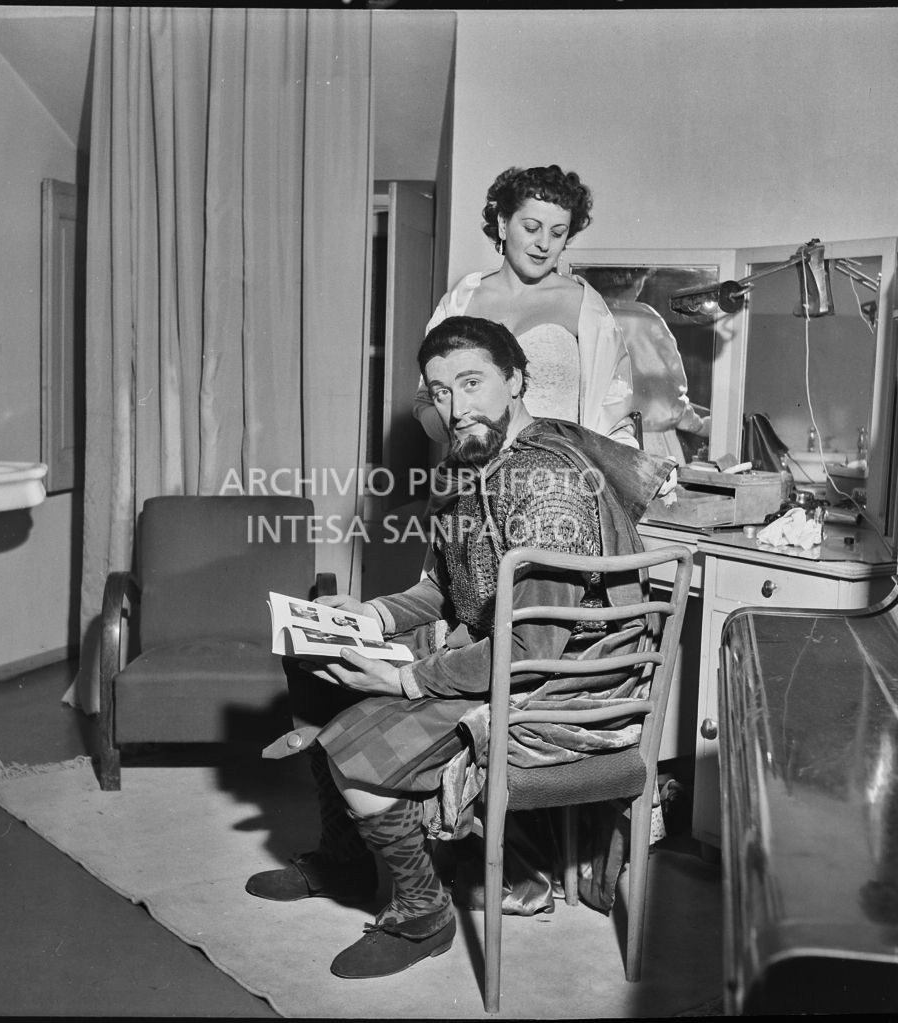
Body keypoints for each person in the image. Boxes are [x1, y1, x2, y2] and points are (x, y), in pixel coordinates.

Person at [245, 316, 673, 980]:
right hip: (497, 649)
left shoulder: (544, 481)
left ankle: (422, 911)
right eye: (441, 391)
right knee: (314, 660)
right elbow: (449, 591)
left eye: (471, 383)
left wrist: (409, 680)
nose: (455, 407)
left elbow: (534, 645)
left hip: (558, 691)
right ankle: (349, 856)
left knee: (358, 752)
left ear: (516, 379)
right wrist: (371, 612)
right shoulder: (476, 465)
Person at [413, 165, 638, 447]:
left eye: (557, 233)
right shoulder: (462, 299)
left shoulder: (584, 304)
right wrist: (461, 428)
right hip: (472, 477)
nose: (544, 243)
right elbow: (426, 401)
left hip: (558, 479)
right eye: (531, 228)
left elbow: (614, 413)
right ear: (504, 224)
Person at [592, 268, 710, 463]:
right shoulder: (646, 318)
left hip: (598, 437)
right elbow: (668, 387)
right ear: (638, 282)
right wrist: (696, 424)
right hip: (649, 438)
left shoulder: (590, 314)